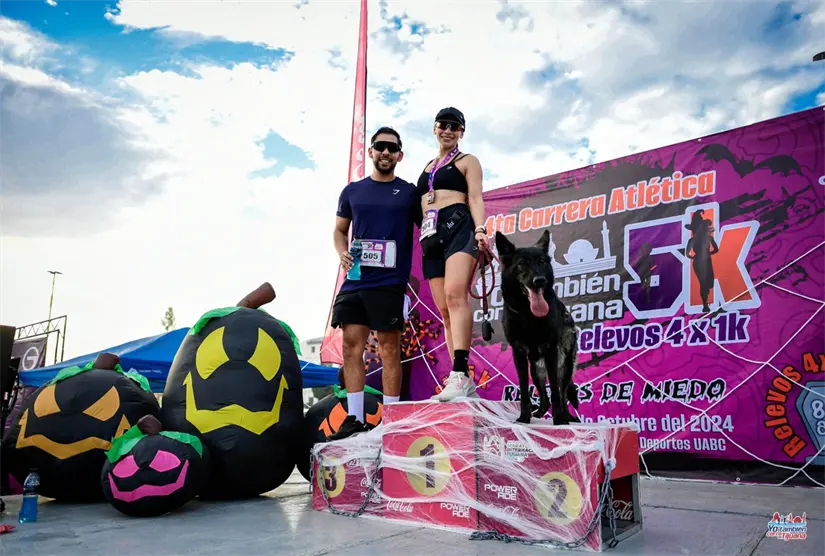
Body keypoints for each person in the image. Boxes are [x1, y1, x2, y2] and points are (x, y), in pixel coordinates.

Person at [329, 126, 421, 440]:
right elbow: (340, 231)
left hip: (389, 282)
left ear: (399, 155)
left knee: (389, 349)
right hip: (355, 281)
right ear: (371, 151)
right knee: (352, 348)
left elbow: (431, 222)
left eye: (391, 148)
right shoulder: (352, 191)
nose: (385, 152)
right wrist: (343, 253)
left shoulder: (409, 192)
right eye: (380, 146)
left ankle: (391, 421)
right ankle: (355, 419)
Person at [416, 107, 487, 402]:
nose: (448, 130)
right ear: (434, 128)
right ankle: (461, 381)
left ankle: (459, 371)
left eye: (454, 127)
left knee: (456, 295)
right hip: (430, 237)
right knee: (444, 310)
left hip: (458, 227)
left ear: (461, 132)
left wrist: (481, 229)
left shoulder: (467, 161)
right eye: (443, 125)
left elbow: (476, 196)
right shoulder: (427, 167)